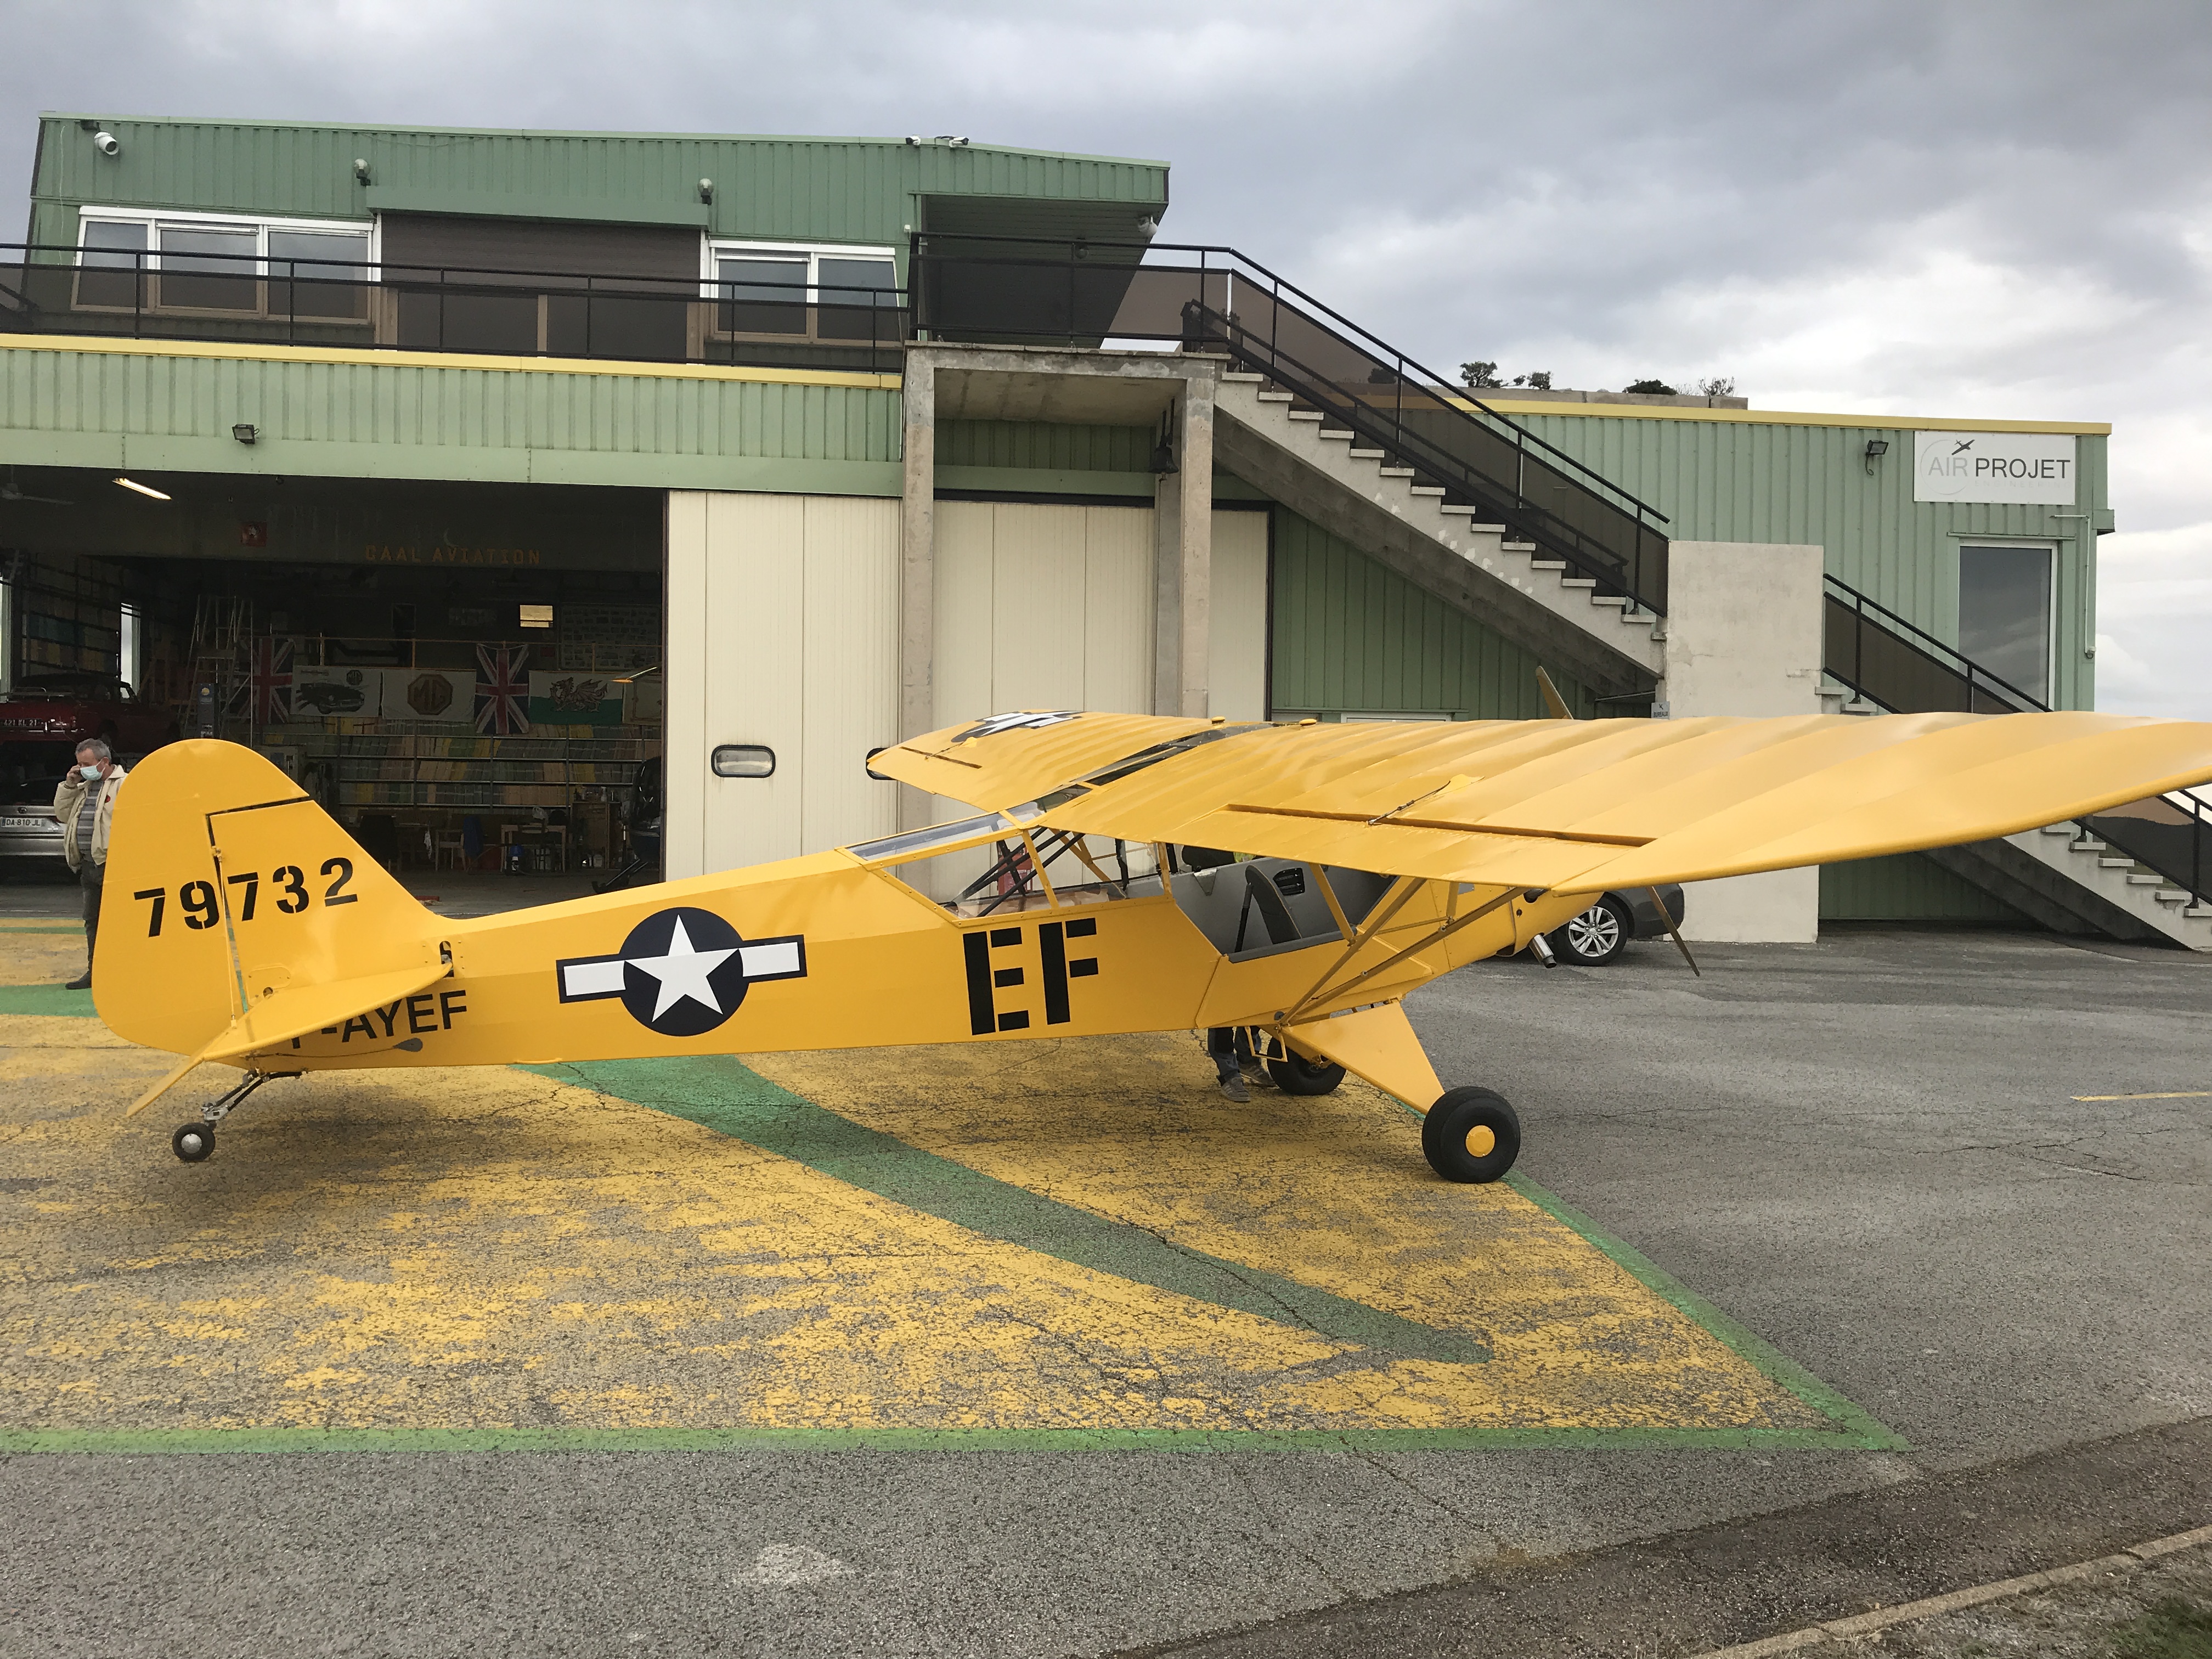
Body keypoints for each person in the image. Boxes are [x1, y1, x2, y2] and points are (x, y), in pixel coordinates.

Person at [54, 738, 127, 990]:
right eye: (78, 764)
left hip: (115, 865)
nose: (80, 769)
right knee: (92, 920)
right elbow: (63, 814)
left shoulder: (125, 785)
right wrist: (69, 785)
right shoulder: (83, 787)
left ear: (104, 762)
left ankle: (124, 973)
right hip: (88, 864)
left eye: (86, 764)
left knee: (121, 923)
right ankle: (95, 972)